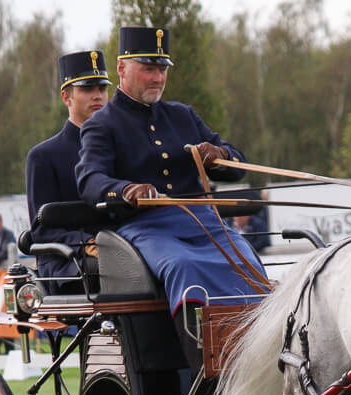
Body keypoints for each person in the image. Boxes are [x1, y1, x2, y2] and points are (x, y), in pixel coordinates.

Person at [75, 26, 267, 367]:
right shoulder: (102, 124)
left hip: (205, 222)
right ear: (121, 69)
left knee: (246, 260)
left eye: (162, 69)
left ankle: (263, 355)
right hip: (146, 228)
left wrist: (219, 154)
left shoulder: (183, 115)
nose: (158, 78)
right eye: (148, 69)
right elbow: (91, 179)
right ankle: (205, 367)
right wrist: (126, 190)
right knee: (184, 266)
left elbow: (236, 163)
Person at [25, 49, 112, 287]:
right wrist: (88, 244)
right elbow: (42, 230)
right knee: (113, 271)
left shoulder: (122, 147)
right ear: (66, 97)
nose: (97, 96)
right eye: (87, 89)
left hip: (120, 250)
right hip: (68, 261)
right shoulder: (43, 156)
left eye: (102, 89)